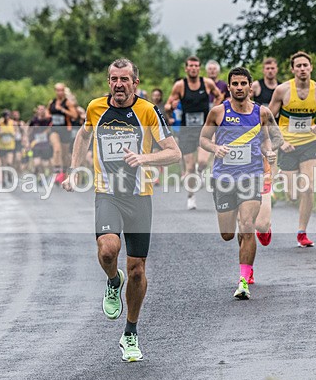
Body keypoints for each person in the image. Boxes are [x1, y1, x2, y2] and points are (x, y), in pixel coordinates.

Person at [62, 58, 181, 362]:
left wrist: (145, 159)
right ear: (109, 82)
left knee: (137, 270)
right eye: (113, 79)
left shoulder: (148, 111)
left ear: (135, 83)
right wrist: (74, 170)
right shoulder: (95, 108)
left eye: (124, 79)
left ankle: (130, 332)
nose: (118, 84)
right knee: (107, 250)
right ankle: (113, 281)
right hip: (108, 193)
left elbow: (174, 153)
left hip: (139, 196)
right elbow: (83, 135)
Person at [200, 67, 292, 298]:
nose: (239, 88)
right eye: (235, 84)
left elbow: (273, 138)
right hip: (223, 178)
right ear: (229, 86)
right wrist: (215, 148)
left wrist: (269, 151)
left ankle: (243, 281)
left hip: (251, 176)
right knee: (228, 234)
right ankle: (245, 257)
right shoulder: (218, 112)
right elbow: (203, 139)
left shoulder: (262, 113)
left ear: (251, 86)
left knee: (247, 224)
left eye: (243, 83)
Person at [268, 51, 316, 247]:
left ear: (311, 67)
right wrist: (280, 142)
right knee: (292, 195)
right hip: (287, 144)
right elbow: (268, 120)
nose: (302, 69)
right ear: (292, 69)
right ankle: (282, 176)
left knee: (308, 187)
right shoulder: (282, 91)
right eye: (298, 66)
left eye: (305, 65)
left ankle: (302, 233)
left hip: (309, 143)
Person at [165, 56, 220, 210]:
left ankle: (200, 171)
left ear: (199, 68)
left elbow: (218, 95)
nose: (194, 68)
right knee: (189, 167)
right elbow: (168, 105)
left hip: (204, 128)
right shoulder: (180, 85)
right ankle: (191, 197)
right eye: (191, 66)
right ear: (186, 68)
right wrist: (170, 108)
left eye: (196, 66)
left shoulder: (207, 83)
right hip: (187, 130)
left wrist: (214, 110)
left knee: (203, 161)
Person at [250, 57, 280, 246]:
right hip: (255, 132)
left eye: (272, 68)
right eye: (267, 68)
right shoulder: (256, 86)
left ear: (276, 69)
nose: (270, 70)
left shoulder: (280, 88)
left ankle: (270, 190)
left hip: (271, 131)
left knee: (270, 161)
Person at [48, 83, 77, 184]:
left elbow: (75, 115)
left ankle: (64, 173)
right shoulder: (52, 102)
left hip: (65, 130)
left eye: (61, 90)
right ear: (55, 91)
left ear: (64, 91)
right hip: (54, 130)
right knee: (57, 150)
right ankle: (57, 172)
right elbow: (48, 113)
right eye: (58, 90)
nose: (59, 92)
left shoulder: (67, 103)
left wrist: (63, 110)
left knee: (65, 155)